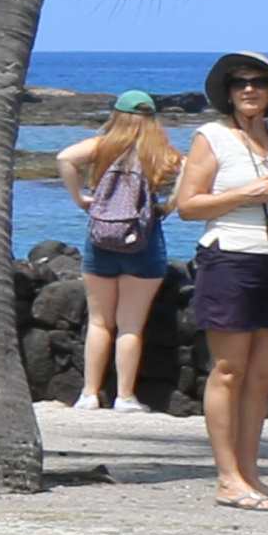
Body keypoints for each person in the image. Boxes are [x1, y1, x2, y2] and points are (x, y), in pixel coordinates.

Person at [171, 50, 268, 508]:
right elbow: (188, 206)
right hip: (231, 257)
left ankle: (251, 475)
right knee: (230, 370)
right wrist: (242, 194)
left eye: (258, 82)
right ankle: (227, 478)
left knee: (263, 374)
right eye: (239, 83)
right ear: (229, 94)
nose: (248, 90)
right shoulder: (211, 136)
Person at [54, 87, 181, 411]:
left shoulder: (102, 145)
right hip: (144, 239)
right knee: (130, 325)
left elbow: (65, 158)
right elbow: (190, 170)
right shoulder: (159, 150)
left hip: (101, 237)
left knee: (99, 322)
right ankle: (124, 396)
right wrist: (170, 205)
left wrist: (80, 198)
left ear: (117, 115)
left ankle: (89, 394)